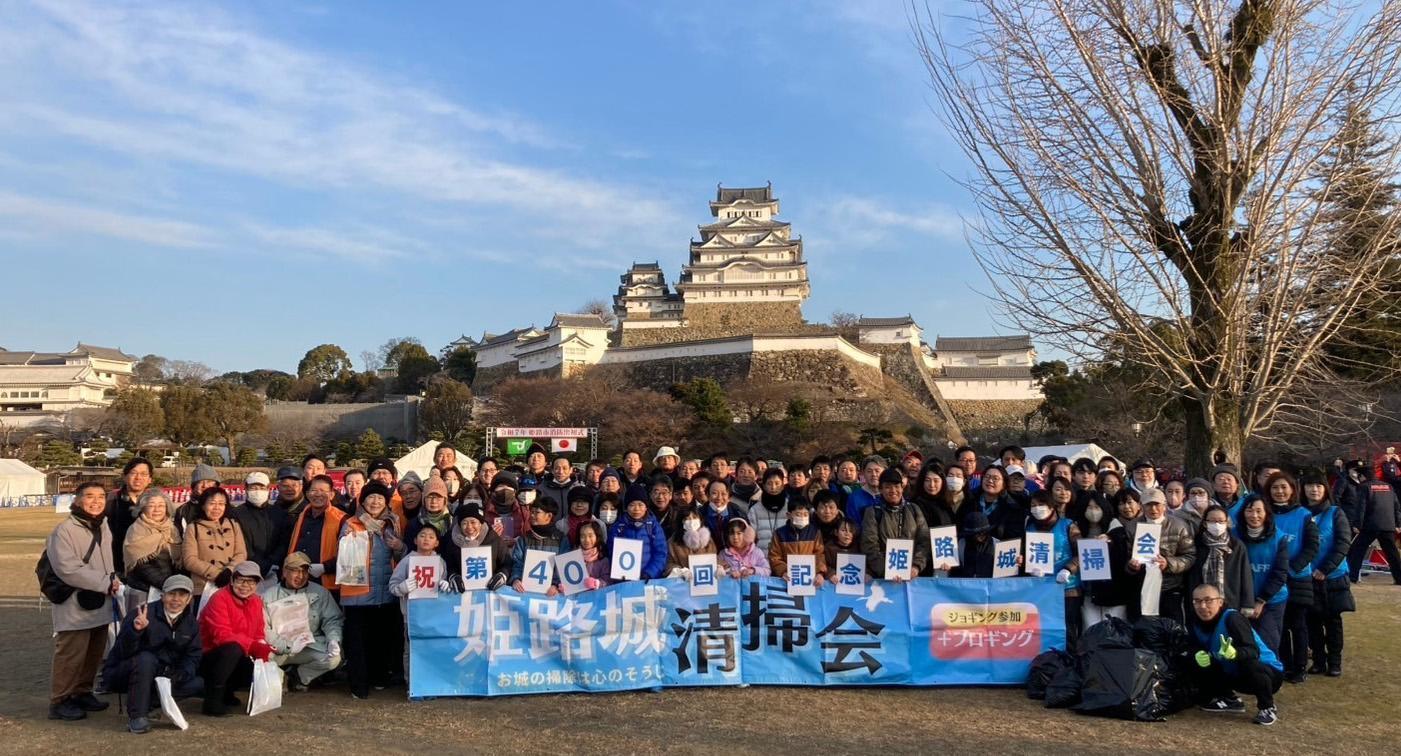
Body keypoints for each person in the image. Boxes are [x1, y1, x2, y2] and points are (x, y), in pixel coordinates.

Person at [45, 482, 119, 722]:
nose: (96, 501)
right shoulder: (64, 530)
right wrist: (104, 582)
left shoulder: (103, 525)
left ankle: (82, 691)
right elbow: (67, 569)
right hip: (75, 601)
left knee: (94, 650)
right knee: (71, 653)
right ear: (77, 501)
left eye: (100, 496)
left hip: (101, 597)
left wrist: (111, 579)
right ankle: (60, 700)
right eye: (89, 496)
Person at [102, 575, 202, 734]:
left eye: (182, 595)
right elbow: (122, 651)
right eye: (171, 594)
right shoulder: (141, 613)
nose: (176, 599)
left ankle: (148, 702)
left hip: (162, 674)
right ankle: (137, 716)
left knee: (196, 683)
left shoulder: (191, 623)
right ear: (162, 596)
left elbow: (193, 656)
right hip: (126, 672)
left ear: (190, 598)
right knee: (146, 659)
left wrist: (180, 674)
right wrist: (136, 631)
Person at [339, 482, 407, 698]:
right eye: (371, 497)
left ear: (386, 502)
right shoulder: (351, 523)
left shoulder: (392, 523)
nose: (375, 501)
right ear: (363, 500)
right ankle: (358, 685)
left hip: (385, 591)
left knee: (381, 639)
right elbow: (342, 553)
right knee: (357, 641)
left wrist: (400, 547)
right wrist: (346, 538)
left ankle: (379, 677)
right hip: (356, 592)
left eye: (380, 498)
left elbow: (402, 556)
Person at [1188, 584, 1284, 726]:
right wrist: (1196, 654)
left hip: (1267, 673)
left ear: (1220, 602)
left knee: (1250, 663)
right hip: (1232, 671)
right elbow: (1193, 646)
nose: (1202, 606)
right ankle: (1229, 699)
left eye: (1208, 600)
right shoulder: (1194, 622)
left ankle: (1267, 708)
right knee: (1196, 661)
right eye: (1197, 601)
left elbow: (1253, 651)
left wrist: (1235, 653)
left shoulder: (1232, 618)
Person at [1261, 471, 1320, 683]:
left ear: (1292, 490)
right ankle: (1283, 664)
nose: (1279, 492)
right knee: (1280, 624)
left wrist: (1292, 568)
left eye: (1284, 487)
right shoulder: (1264, 513)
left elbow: (1312, 545)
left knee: (1298, 623)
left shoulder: (1304, 514)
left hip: (1298, 577)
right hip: (1272, 576)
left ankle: (1300, 666)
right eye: (1275, 488)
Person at [260, 552, 344, 691]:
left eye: (304, 571)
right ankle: (279, 676)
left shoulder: (320, 593)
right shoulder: (268, 595)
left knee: (334, 658)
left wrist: (333, 640)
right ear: (285, 571)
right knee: (260, 657)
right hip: (279, 648)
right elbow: (263, 629)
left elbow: (332, 619)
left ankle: (298, 676)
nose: (300, 576)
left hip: (310, 645)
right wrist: (286, 646)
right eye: (295, 571)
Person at [198, 560, 273, 716]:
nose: (245, 586)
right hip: (208, 655)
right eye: (241, 580)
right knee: (232, 649)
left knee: (253, 661)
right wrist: (253, 645)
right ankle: (212, 700)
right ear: (232, 581)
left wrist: (262, 646)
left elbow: (258, 631)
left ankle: (227, 692)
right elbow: (221, 636)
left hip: (238, 651)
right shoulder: (219, 598)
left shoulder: (256, 601)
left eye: (251, 581)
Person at [1300, 468, 1353, 677]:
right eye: (1309, 485)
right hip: (1306, 576)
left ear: (1325, 489)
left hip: (1333, 576)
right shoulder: (1301, 514)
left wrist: (1325, 568)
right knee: (1311, 621)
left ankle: (1334, 662)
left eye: (1318, 485)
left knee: (1332, 621)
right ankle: (1319, 661)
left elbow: (1343, 543)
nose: (1314, 490)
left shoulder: (1335, 513)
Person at [1127, 488, 1195, 626]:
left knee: (1172, 628)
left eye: (1157, 504)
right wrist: (1131, 566)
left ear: (1164, 505)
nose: (1153, 509)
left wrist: (1168, 563)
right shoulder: (1132, 527)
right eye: (1148, 505)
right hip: (1142, 587)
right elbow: (1125, 558)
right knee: (1146, 629)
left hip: (1171, 587)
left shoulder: (1179, 526)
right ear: (1141, 506)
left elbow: (1190, 556)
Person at [1025, 490, 1082, 647]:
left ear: (1051, 507)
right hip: (1043, 589)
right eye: (1033, 505)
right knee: (1046, 629)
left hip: (1068, 588)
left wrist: (1069, 569)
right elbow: (1026, 556)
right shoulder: (1030, 528)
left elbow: (1082, 553)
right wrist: (1029, 567)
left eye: (1041, 505)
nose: (1037, 508)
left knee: (1069, 629)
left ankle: (1071, 662)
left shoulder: (1068, 525)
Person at [1237, 497, 1290, 653]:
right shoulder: (1234, 536)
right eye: (1249, 510)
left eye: (1259, 511)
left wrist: (1261, 600)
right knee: (1244, 643)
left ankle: (1270, 674)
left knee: (1268, 643)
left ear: (1267, 513)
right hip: (1242, 600)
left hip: (1272, 600)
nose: (1254, 515)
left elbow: (1280, 572)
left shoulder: (1279, 538)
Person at [861, 467, 931, 580]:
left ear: (902, 488)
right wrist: (887, 571)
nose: (893, 490)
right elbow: (869, 546)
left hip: (913, 576)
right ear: (881, 489)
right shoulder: (873, 512)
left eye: (897, 486)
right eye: (887, 487)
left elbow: (924, 540)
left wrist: (916, 566)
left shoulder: (914, 509)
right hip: (884, 577)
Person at [1187, 505, 1255, 615]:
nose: (1217, 525)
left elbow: (1245, 575)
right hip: (1201, 604)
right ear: (1205, 523)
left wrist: (1248, 603)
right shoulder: (1197, 544)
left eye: (1221, 521)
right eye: (1212, 521)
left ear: (1227, 523)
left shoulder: (1236, 545)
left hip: (1230, 600)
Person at [121, 489, 182, 611]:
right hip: (143, 591)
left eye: (161, 505)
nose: (157, 509)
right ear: (142, 508)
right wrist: (168, 584)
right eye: (151, 505)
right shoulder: (136, 530)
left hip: (169, 591)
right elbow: (140, 564)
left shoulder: (172, 529)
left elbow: (178, 560)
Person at [182, 487, 248, 599]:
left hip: (231, 583)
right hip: (203, 587)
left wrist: (229, 570)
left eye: (221, 504)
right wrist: (216, 574)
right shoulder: (193, 528)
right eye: (212, 503)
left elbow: (241, 553)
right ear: (203, 506)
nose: (217, 508)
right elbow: (189, 560)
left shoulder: (233, 525)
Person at [1344, 460, 1401, 584]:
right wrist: (1398, 524)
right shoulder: (1388, 486)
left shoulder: (1364, 487)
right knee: (1392, 553)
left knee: (1357, 550)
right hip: (1388, 525)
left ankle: (1351, 576)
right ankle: (1399, 578)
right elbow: (1396, 506)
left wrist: (1357, 524)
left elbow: (1361, 508)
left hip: (1370, 525)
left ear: (1363, 476)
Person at [286, 475, 347, 592]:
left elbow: (349, 556)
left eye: (323, 491)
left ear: (332, 494)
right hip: (299, 581)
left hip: (328, 584)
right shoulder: (300, 516)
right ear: (307, 494)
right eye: (313, 490)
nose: (318, 494)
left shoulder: (341, 519)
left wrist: (325, 567)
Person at [232, 470, 289, 578]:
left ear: (268, 489)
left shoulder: (279, 513)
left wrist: (271, 562)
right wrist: (256, 564)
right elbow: (239, 543)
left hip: (275, 569)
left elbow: (284, 542)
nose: (258, 491)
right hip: (246, 570)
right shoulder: (236, 514)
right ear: (246, 489)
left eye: (262, 488)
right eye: (253, 488)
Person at [445, 502, 512, 591]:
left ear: (480, 523)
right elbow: (449, 565)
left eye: (473, 522)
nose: (469, 527)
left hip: (489, 591)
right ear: (460, 525)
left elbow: (507, 563)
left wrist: (502, 575)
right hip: (463, 593)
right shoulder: (452, 540)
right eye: (464, 523)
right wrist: (453, 576)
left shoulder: (493, 538)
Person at [105, 457, 155, 576]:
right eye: (133, 473)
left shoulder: (156, 501)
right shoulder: (111, 499)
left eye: (143, 474)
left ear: (150, 479)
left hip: (149, 565)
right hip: (117, 564)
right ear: (125, 477)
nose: (138, 478)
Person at [510, 497, 567, 594]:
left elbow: (563, 566)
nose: (532, 515)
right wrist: (516, 579)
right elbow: (517, 563)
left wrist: (555, 585)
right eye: (531, 512)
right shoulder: (524, 539)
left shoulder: (561, 539)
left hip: (552, 592)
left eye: (537, 512)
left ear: (549, 516)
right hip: (526, 591)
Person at [608, 492, 668, 581]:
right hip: (624, 579)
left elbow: (661, 553)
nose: (636, 509)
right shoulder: (618, 527)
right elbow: (611, 552)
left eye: (640, 505)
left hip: (648, 579)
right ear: (626, 508)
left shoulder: (653, 526)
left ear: (646, 507)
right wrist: (620, 572)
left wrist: (650, 573)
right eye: (632, 505)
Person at [769, 498, 827, 585]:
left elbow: (819, 554)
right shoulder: (779, 533)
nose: (802, 517)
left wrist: (819, 573)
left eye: (805, 514)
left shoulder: (814, 532)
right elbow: (774, 556)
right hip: (787, 579)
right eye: (798, 514)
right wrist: (783, 571)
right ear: (788, 515)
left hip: (809, 578)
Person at [403, 476, 453, 556]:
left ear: (445, 500)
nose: (434, 501)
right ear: (424, 499)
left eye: (438, 497)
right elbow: (409, 552)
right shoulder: (413, 524)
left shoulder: (453, 523)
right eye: (430, 497)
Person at [975, 465, 1026, 542]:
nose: (990, 481)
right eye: (987, 477)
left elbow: (1014, 539)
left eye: (995, 478)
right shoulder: (970, 502)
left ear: (1004, 484)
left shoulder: (1012, 507)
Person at [666, 509, 718, 579]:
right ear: (681, 522)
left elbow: (714, 559)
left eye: (694, 517)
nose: (691, 521)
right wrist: (681, 572)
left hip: (705, 581)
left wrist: (718, 567)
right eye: (687, 519)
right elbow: (668, 564)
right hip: (683, 583)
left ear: (700, 520)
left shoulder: (708, 540)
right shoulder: (673, 542)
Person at [173, 463, 222, 534]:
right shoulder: (183, 511)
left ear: (216, 485)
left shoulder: (227, 508)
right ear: (194, 487)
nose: (205, 485)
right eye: (200, 482)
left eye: (209, 482)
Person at [750, 467, 790, 553]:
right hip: (762, 559)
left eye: (777, 483)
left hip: (786, 558)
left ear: (783, 485)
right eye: (769, 483)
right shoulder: (755, 510)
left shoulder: (790, 507)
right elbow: (750, 539)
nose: (773, 487)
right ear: (763, 486)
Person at [950, 512, 996, 578]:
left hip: (989, 586)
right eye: (977, 533)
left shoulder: (996, 544)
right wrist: (948, 567)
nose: (981, 535)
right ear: (970, 534)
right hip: (967, 586)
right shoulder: (961, 544)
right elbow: (955, 570)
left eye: (984, 532)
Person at [912, 463, 956, 531]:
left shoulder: (946, 503)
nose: (932, 485)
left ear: (942, 482)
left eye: (936, 481)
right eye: (927, 480)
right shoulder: (914, 504)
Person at [844, 455, 886, 524]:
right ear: (863, 474)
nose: (874, 474)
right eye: (869, 471)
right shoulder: (854, 497)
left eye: (877, 471)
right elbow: (853, 525)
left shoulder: (890, 494)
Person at [575, 521, 612, 591]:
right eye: (582, 536)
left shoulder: (603, 560)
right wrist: (565, 587)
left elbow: (608, 581)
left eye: (590, 536)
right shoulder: (573, 557)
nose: (586, 540)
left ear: (597, 536)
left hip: (595, 598)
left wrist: (597, 583)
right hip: (576, 599)